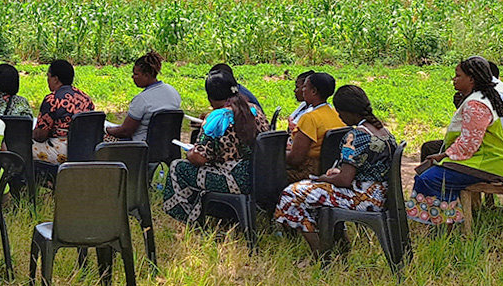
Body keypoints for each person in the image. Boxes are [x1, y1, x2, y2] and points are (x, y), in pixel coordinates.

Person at [274, 84, 395, 255]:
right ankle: (340, 245)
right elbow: (365, 168)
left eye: (339, 112)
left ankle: (321, 254)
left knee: (291, 194)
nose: (339, 116)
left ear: (347, 111)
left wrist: (322, 179)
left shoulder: (356, 135)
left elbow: (344, 180)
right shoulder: (383, 132)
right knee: (313, 193)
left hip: (362, 198)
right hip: (379, 194)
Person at [407, 56, 503, 226]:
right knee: (429, 168)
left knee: (428, 178)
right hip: (484, 159)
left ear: (471, 79)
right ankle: (448, 221)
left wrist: (444, 156)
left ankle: (441, 225)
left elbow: (468, 145)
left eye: (457, 76)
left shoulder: (476, 104)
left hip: (486, 163)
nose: (453, 80)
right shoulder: (481, 97)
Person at [161, 71, 267, 223]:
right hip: (258, 176)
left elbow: (199, 158)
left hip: (233, 179)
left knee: (178, 167)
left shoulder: (218, 118)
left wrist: (190, 152)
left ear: (210, 97)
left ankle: (188, 219)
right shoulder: (254, 110)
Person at [104, 51, 182, 143]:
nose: (133, 77)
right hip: (166, 144)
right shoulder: (173, 91)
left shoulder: (142, 100)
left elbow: (125, 131)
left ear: (146, 75)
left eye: (136, 74)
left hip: (141, 146)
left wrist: (107, 129)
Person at [285, 71, 346, 182]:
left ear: (313, 91)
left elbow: (295, 159)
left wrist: (274, 153)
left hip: (307, 172)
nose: (303, 90)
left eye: (305, 87)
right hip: (329, 168)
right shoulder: (337, 115)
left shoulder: (310, 118)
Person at [32, 59, 96, 163]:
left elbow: (40, 136)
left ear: (56, 79)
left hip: (63, 151)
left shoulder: (52, 99)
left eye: (48, 76)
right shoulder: (85, 98)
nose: (47, 80)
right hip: (86, 149)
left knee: (24, 148)